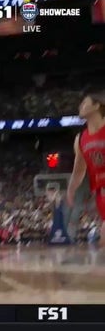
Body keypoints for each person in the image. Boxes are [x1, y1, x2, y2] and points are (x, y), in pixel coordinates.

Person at [67, 91, 105, 247]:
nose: (80, 106)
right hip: (100, 192)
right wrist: (70, 190)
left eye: (85, 102)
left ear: (97, 106)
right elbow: (79, 170)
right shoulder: (81, 139)